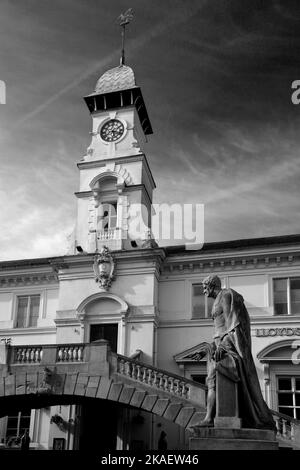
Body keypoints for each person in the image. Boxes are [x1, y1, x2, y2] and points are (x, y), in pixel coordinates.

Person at [199, 274, 275, 430]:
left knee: (219, 376)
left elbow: (232, 325)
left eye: (205, 287)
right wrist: (209, 348)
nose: (203, 291)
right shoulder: (216, 301)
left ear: (212, 285)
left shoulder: (226, 295)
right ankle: (208, 418)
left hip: (229, 346)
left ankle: (255, 416)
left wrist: (224, 346)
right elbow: (219, 329)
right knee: (211, 382)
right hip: (218, 345)